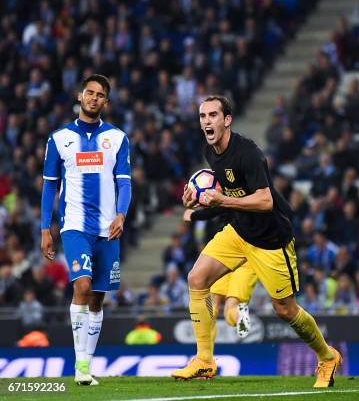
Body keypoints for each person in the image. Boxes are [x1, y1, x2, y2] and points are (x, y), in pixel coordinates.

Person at [172, 95, 341, 388]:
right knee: (197, 278)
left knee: (285, 309)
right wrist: (199, 203)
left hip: (271, 240)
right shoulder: (209, 150)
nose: (207, 121)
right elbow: (228, 191)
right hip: (239, 231)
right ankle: (204, 360)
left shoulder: (249, 153)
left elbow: (264, 201)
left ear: (227, 120)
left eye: (213, 115)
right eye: (202, 116)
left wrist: (221, 199)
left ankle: (327, 357)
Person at [40, 74, 131, 386]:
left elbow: (125, 183)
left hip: (109, 229)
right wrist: (44, 228)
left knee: (97, 298)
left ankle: (86, 366)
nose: (94, 98)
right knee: (82, 286)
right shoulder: (59, 139)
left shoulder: (118, 138)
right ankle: (80, 366)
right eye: (90, 93)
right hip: (75, 226)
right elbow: (49, 187)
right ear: (80, 96)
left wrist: (121, 214)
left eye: (100, 95)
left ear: (105, 101)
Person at [184, 207, 256, 339]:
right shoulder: (252, 204)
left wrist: (193, 214)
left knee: (213, 306)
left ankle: (206, 354)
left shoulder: (226, 204)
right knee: (231, 308)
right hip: (249, 258)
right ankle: (239, 315)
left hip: (225, 256)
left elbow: (212, 211)